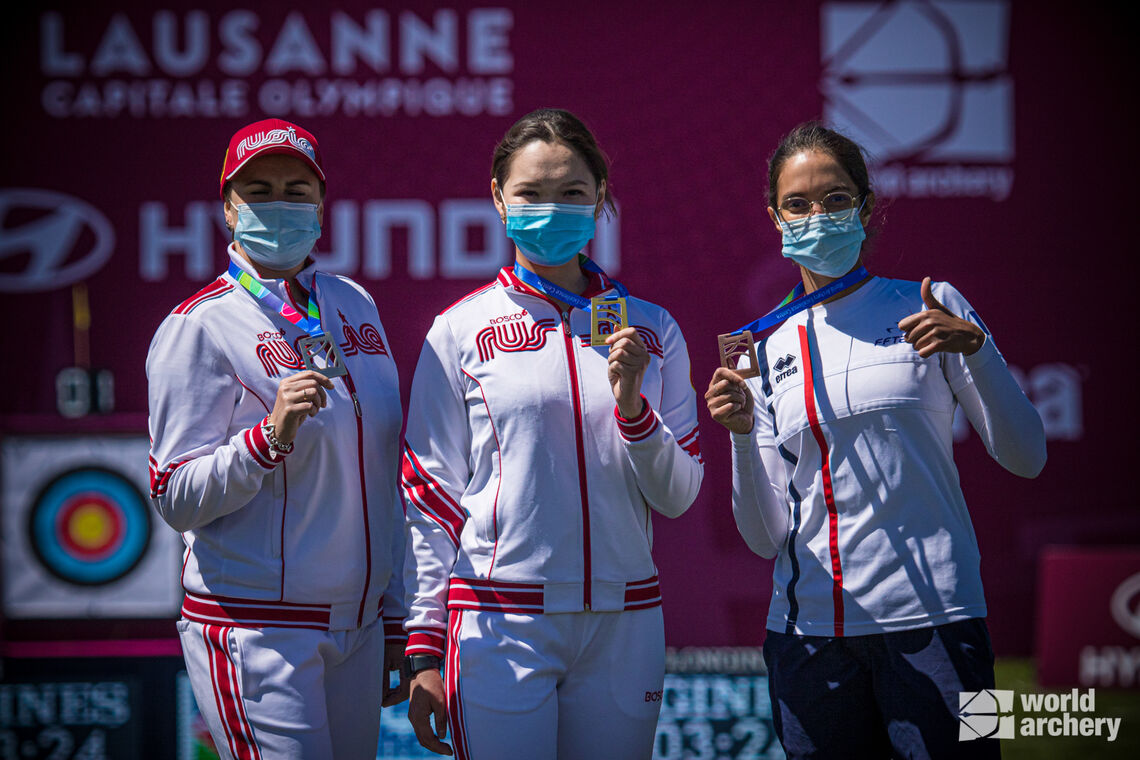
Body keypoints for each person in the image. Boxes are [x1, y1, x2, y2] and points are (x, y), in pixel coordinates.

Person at [705, 122, 1046, 759]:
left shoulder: (929, 303)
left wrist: (979, 353)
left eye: (836, 199)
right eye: (798, 204)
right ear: (775, 217)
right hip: (808, 637)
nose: (818, 216)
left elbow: (1027, 457)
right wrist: (742, 436)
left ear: (865, 207)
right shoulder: (764, 346)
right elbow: (762, 535)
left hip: (940, 622)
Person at [400, 108, 704, 760]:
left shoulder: (652, 330)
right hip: (499, 622)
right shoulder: (458, 330)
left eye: (571, 193)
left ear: (601, 197)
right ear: (497, 197)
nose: (552, 209)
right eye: (531, 193)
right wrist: (423, 643)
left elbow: (678, 496)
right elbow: (429, 497)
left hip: (626, 623)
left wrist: (632, 410)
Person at [146, 118, 408, 759]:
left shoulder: (353, 303)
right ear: (227, 206)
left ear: (321, 205)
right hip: (259, 628)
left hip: (358, 624)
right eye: (259, 190)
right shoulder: (199, 325)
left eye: (297, 190)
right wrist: (266, 439)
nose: (279, 205)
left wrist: (394, 613)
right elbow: (175, 495)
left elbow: (382, 473)